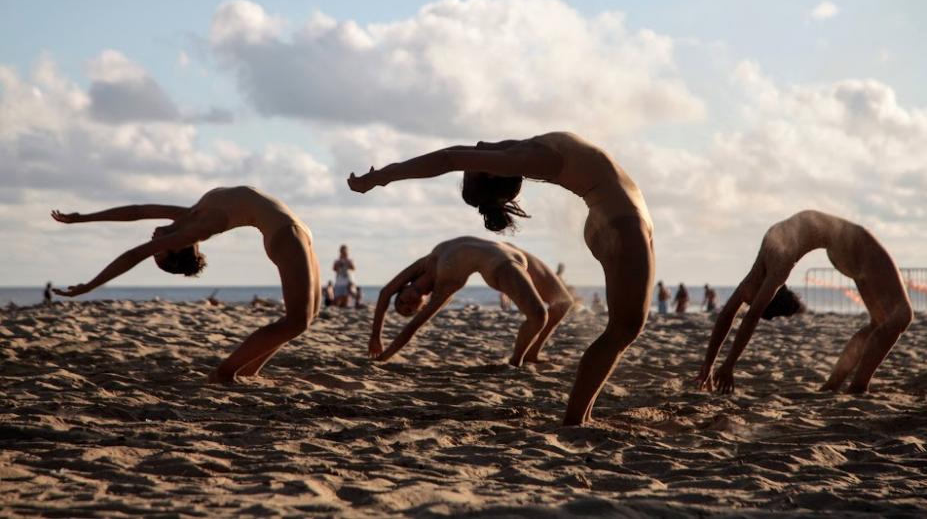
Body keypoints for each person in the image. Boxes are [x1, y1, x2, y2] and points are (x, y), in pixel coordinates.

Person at [348, 131, 654, 425]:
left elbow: (461, 153)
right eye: (475, 167)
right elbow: (447, 159)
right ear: (492, 172)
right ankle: (575, 420)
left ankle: (578, 415)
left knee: (623, 328)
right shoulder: (528, 156)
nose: (476, 151)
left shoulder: (522, 149)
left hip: (618, 219)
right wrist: (380, 177)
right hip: (621, 221)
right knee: (623, 329)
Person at [50, 186, 321, 383]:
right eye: (159, 250)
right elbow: (134, 255)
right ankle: (225, 372)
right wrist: (91, 285)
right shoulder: (196, 229)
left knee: (309, 315)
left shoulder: (190, 215)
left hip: (297, 229)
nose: (154, 242)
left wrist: (82, 218)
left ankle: (249, 369)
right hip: (286, 235)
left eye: (157, 250)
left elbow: (137, 211)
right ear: (178, 247)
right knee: (297, 321)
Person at [696, 210, 913, 395]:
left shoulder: (759, 276)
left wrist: (723, 365)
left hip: (842, 246)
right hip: (848, 242)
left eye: (757, 303)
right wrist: (716, 364)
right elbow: (736, 315)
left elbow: (735, 316)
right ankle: (857, 387)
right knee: (902, 316)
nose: (750, 303)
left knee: (882, 322)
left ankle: (834, 385)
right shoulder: (775, 266)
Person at [368, 236, 576, 366]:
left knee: (563, 303)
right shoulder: (445, 284)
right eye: (409, 309)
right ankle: (516, 361)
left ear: (403, 289)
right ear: (422, 305)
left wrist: (376, 336)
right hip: (500, 263)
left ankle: (532, 352)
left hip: (512, 249)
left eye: (402, 302)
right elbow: (412, 328)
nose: (407, 304)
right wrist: (384, 357)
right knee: (538, 316)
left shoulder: (426, 262)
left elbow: (386, 292)